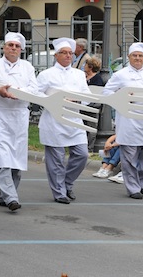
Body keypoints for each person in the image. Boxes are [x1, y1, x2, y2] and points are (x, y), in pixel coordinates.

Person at [0, 32, 39, 212]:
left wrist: (18, 91)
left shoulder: (27, 67)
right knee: (2, 157)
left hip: (19, 116)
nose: (13, 48)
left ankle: (6, 195)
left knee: (16, 161)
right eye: (10, 45)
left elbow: (34, 89)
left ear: (21, 50)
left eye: (17, 46)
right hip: (0, 116)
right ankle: (11, 197)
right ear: (4, 47)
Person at [102, 42, 143, 199]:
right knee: (129, 157)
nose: (137, 58)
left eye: (140, 56)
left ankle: (142, 182)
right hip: (128, 120)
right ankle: (133, 188)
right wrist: (121, 98)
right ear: (129, 57)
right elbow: (106, 93)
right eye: (134, 55)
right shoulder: (120, 74)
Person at [37, 37, 93, 203]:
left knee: (82, 155)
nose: (68, 56)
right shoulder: (46, 74)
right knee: (56, 161)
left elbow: (87, 97)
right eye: (64, 53)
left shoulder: (78, 74)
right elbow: (36, 94)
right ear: (56, 55)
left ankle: (67, 183)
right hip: (54, 121)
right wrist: (54, 99)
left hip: (74, 120)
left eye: (70, 53)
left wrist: (77, 100)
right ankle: (59, 192)